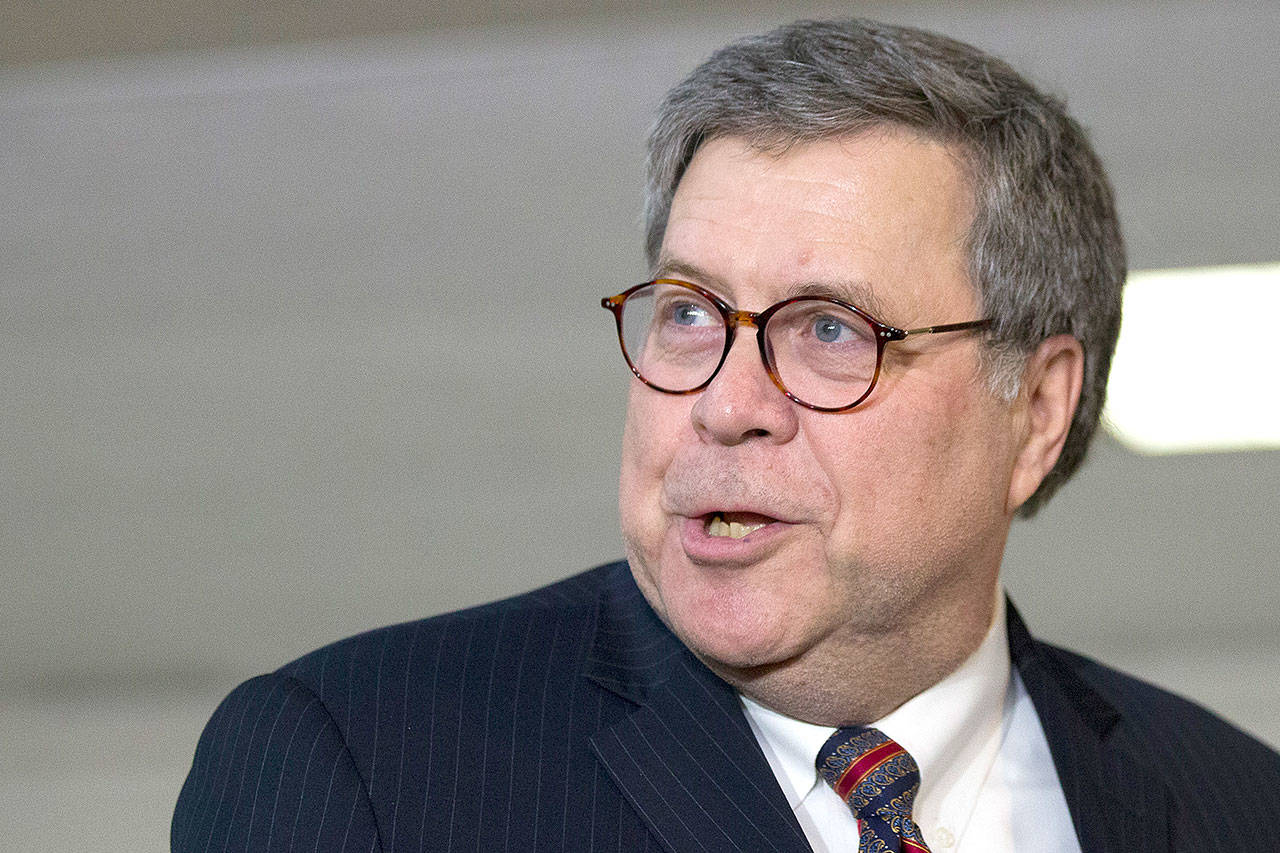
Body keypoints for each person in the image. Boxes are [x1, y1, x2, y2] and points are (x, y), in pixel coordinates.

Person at [172, 18, 1280, 852]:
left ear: (1034, 411)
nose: (723, 400)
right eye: (690, 312)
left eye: (829, 330)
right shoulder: (359, 763)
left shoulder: (1236, 806)